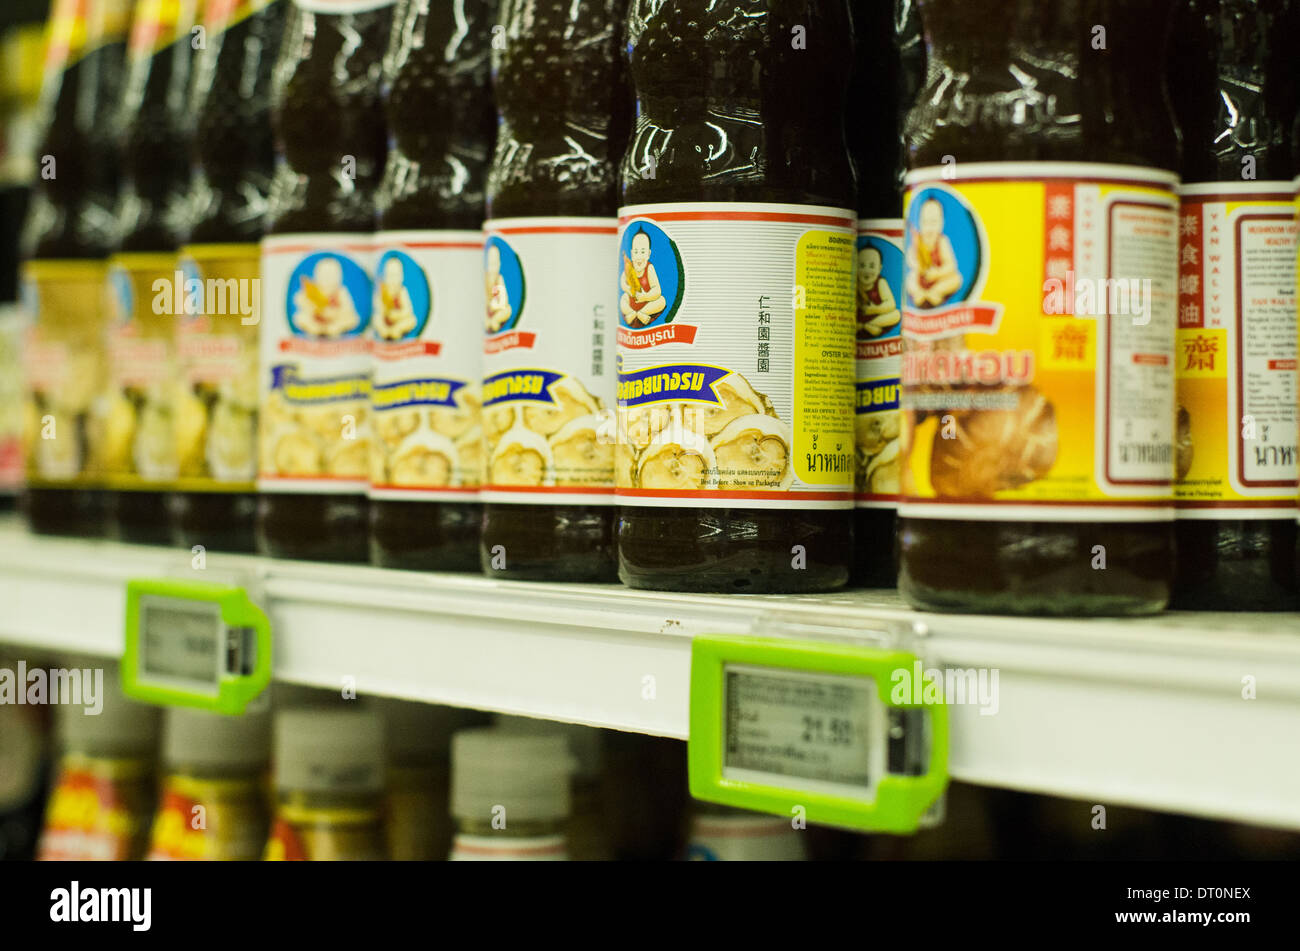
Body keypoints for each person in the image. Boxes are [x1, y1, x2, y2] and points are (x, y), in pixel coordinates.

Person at [905, 198, 963, 309]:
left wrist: (937, 273)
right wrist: (917, 266)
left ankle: (935, 292)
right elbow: (910, 258)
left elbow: (951, 265)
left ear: (941, 223)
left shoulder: (942, 241)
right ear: (919, 222)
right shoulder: (917, 240)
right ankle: (919, 294)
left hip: (937, 279)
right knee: (910, 279)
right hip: (920, 278)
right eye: (925, 222)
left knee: (956, 279)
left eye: (934, 222)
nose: (929, 228)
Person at [294, 256, 360, 337]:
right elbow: (300, 300)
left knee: (350, 320)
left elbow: (348, 308)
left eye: (331, 275)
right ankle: (317, 330)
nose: (328, 278)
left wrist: (337, 304)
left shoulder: (340, 291)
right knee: (301, 318)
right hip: (316, 318)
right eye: (324, 274)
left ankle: (332, 330)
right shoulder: (314, 289)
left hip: (335, 318)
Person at [619, 227, 666, 326]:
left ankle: (642, 313)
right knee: (623, 298)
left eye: (643, 252)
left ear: (648, 254)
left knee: (661, 301)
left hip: (647, 303)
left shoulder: (649, 268)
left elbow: (657, 290)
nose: (639, 256)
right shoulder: (629, 267)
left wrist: (645, 296)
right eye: (636, 252)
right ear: (631, 254)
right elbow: (622, 281)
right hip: (632, 301)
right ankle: (631, 313)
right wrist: (627, 289)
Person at [856, 244, 900, 338]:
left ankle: (869, 325)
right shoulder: (855, 284)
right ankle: (865, 327)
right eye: (862, 265)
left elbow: (891, 304)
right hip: (858, 320)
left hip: (877, 319)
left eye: (872, 266)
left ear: (879, 268)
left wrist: (874, 309)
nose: (867, 270)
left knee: (896, 314)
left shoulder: (881, 282)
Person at [375, 256, 416, 340]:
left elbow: (407, 311)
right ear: (385, 276)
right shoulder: (382, 291)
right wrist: (385, 315)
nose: (393, 279)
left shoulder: (402, 291)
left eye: (396, 275)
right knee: (376, 319)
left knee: (411, 320)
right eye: (390, 275)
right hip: (385, 320)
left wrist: (396, 315)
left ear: (401, 277)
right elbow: (378, 308)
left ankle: (396, 331)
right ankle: (386, 332)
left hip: (399, 320)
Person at [485, 242, 513, 332]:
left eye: (495, 264)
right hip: (486, 309)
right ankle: (489, 321)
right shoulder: (484, 278)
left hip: (495, 308)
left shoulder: (499, 279)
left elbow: (502, 301)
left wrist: (495, 305)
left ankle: (494, 321)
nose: (493, 268)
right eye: (490, 264)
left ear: (499, 264)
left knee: (508, 310)